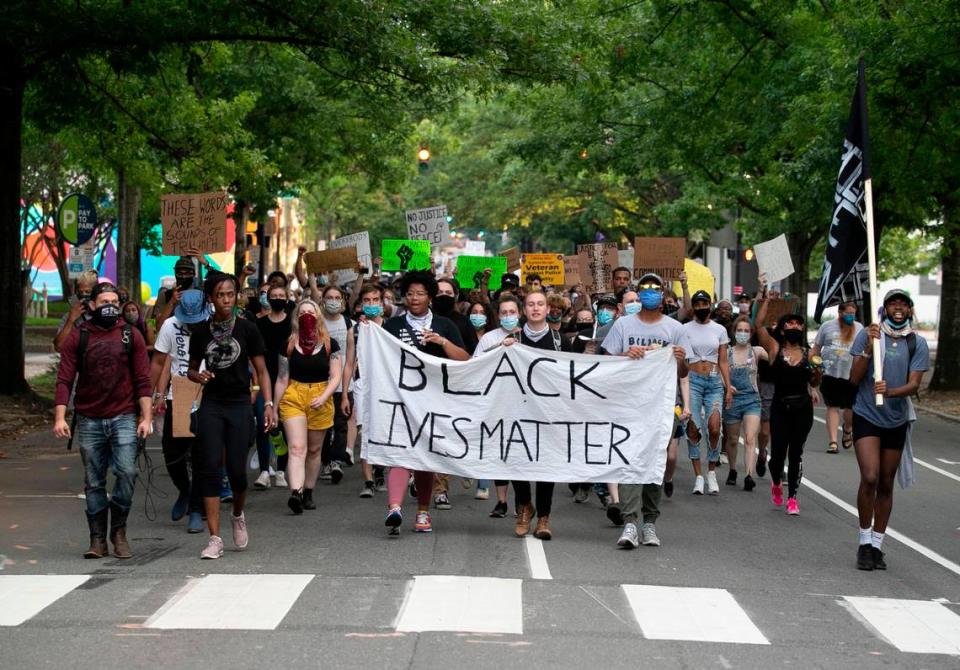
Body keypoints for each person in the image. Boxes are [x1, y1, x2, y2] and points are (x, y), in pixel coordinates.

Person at [53, 282, 153, 559]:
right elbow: (65, 378)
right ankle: (97, 538)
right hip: (89, 420)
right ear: (93, 305)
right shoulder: (79, 336)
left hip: (123, 417)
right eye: (103, 301)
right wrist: (60, 416)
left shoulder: (130, 335)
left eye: (114, 301)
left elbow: (143, 380)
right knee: (94, 481)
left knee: (127, 473)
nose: (109, 306)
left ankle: (118, 531)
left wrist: (145, 417)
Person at [187, 272, 276, 560]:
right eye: (221, 295)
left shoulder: (247, 329)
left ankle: (237, 514)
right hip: (212, 403)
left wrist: (269, 403)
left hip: (239, 404)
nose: (227, 299)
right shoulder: (200, 331)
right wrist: (198, 375)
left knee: (238, 474)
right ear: (211, 299)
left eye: (231, 294)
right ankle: (214, 537)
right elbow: (190, 368)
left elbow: (262, 370)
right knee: (210, 467)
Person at [600, 273, 687, 549]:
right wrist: (626, 355)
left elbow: (685, 372)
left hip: (662, 409)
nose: (650, 293)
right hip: (629, 406)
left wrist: (680, 360)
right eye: (645, 289)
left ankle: (649, 522)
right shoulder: (622, 326)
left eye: (655, 289)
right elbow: (605, 363)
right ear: (638, 293)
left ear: (663, 295)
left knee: (654, 464)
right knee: (630, 461)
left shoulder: (674, 328)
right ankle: (629, 522)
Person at [382, 271, 469, 534]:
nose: (414, 298)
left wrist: (441, 342)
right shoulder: (393, 327)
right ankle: (394, 507)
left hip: (434, 402)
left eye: (420, 294)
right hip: (402, 399)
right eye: (409, 294)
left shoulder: (445, 325)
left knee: (423, 457)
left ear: (430, 297)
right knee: (399, 451)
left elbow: (465, 358)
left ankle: (422, 511)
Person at [849, 289, 928, 571]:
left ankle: (877, 545)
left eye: (903, 304)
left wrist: (891, 391)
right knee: (869, 476)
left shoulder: (915, 342)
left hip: (896, 419)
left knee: (885, 482)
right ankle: (863, 541)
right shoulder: (869, 334)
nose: (898, 307)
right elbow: (854, 378)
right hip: (867, 414)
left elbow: (915, 384)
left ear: (909, 310)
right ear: (884, 309)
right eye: (892, 303)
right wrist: (869, 349)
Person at [501, 290, 571, 541]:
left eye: (540, 304)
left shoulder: (559, 340)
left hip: (548, 413)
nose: (536, 308)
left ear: (547, 308)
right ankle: (524, 506)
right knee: (516, 461)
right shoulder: (513, 339)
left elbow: (570, 377)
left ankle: (543, 517)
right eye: (530, 304)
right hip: (517, 411)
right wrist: (504, 349)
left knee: (545, 465)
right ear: (524, 311)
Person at [755, 282, 822, 516]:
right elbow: (759, 325)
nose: (794, 326)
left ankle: (792, 497)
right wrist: (766, 301)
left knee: (796, 453)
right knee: (777, 455)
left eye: (798, 323)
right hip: (780, 407)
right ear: (783, 329)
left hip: (802, 408)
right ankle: (775, 482)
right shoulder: (774, 348)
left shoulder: (810, 353)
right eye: (790, 323)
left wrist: (817, 373)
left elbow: (814, 383)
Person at [274, 300, 342, 514]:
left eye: (310, 312)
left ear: (318, 315)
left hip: (320, 396)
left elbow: (336, 376)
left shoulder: (331, 344)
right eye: (302, 312)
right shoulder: (288, 344)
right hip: (294, 395)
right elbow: (282, 378)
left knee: (314, 450)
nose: (306, 315)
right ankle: (296, 492)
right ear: (296, 317)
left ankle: (309, 491)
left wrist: (324, 396)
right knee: (296, 448)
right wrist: (274, 408)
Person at [149, 288, 209, 534]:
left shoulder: (213, 324)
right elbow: (162, 363)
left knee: (200, 455)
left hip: (207, 390)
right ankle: (185, 489)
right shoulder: (170, 326)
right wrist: (155, 396)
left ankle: (196, 509)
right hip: (180, 390)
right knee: (172, 452)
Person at [474, 294, 522, 516]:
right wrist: (499, 347)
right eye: (504, 313)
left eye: (512, 312)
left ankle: (523, 501)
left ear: (519, 314)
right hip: (496, 403)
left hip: (525, 404)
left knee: (521, 453)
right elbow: (475, 365)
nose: (508, 316)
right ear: (498, 315)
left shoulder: (527, 336)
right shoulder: (489, 338)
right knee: (500, 451)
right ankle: (501, 501)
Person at [682, 290, 731, 494]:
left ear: (711, 305)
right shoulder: (684, 329)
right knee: (692, 427)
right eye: (698, 304)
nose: (702, 307)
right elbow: (682, 360)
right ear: (693, 306)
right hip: (692, 379)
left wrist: (728, 387)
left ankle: (711, 470)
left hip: (713, 381)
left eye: (705, 303)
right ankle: (698, 476)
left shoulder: (719, 329)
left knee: (714, 426)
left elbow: (723, 361)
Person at [346, 283, 388, 498]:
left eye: (375, 300)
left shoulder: (390, 328)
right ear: (361, 305)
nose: (371, 305)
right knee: (365, 432)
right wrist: (346, 393)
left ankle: (380, 470)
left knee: (381, 429)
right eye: (367, 301)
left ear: (382, 303)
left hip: (386, 386)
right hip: (363, 385)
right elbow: (349, 362)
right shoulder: (354, 330)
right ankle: (368, 480)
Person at [722, 316, 767, 492]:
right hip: (732, 399)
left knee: (749, 438)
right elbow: (719, 370)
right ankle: (733, 470)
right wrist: (727, 385)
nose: (742, 333)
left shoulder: (757, 351)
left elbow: (774, 354)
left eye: (746, 330)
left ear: (751, 333)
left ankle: (749, 475)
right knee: (732, 440)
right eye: (739, 330)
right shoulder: (726, 352)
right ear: (734, 332)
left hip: (752, 399)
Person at [254, 284, 292, 489]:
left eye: (281, 295)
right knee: (263, 424)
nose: (277, 298)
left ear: (287, 299)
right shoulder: (259, 324)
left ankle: (280, 471)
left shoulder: (292, 324)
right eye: (273, 295)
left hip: (287, 380)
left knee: (284, 426)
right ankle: (263, 470)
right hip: (264, 380)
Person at [317, 284, 355, 483]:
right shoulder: (316, 322)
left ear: (342, 301)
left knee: (340, 424)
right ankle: (324, 461)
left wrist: (347, 391)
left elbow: (349, 361)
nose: (333, 301)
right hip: (319, 385)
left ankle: (336, 461)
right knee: (322, 425)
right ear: (322, 300)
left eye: (337, 297)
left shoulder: (348, 323)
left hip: (341, 385)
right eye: (329, 297)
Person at [813, 302, 863, 453]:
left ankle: (847, 429)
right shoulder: (827, 326)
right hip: (830, 373)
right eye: (848, 313)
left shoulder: (859, 328)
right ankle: (833, 442)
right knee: (832, 406)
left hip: (851, 375)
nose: (850, 316)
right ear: (840, 312)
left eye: (853, 314)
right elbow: (816, 347)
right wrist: (815, 364)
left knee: (850, 409)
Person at [53, 270, 99, 353]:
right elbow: (59, 347)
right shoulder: (69, 316)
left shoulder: (102, 313)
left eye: (88, 292)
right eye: (81, 292)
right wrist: (71, 320)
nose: (84, 295)